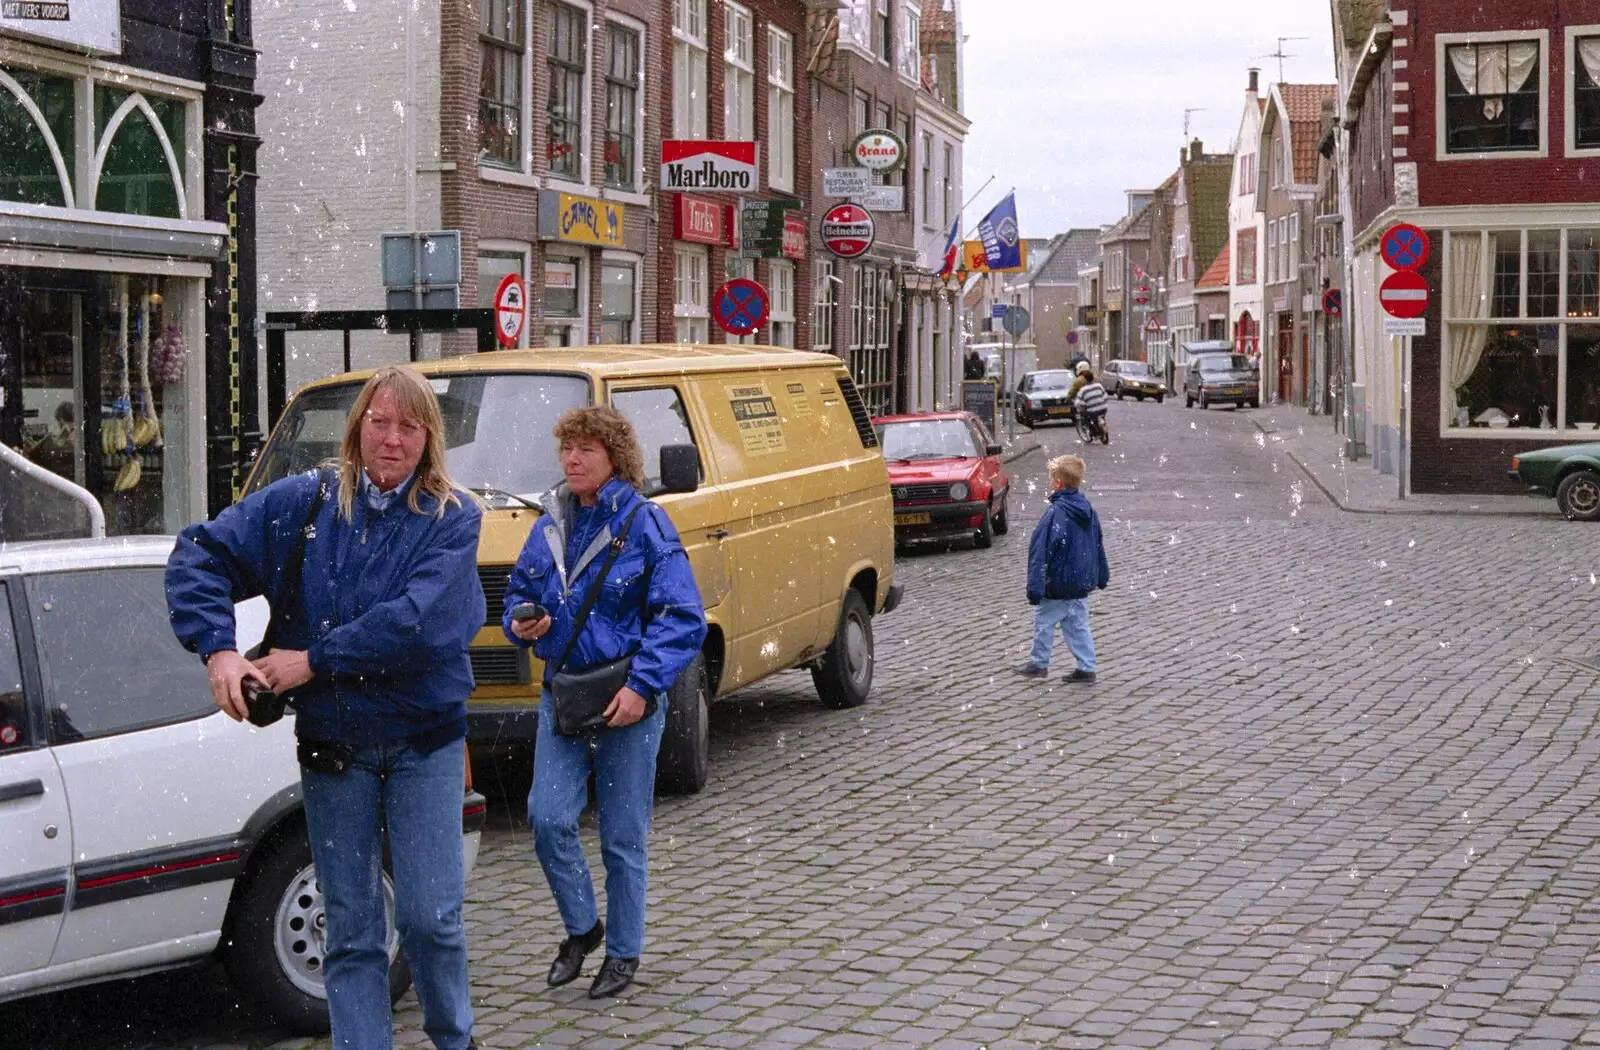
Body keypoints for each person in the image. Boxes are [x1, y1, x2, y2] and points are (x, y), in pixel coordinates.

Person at [166, 365, 485, 1050]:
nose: (391, 439)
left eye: (408, 425)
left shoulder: (453, 519)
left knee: (430, 919)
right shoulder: (306, 504)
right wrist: (219, 650)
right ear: (357, 426)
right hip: (334, 745)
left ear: (429, 437)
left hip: (423, 744)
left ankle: (454, 1038)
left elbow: (415, 622)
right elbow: (199, 551)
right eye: (379, 421)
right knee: (350, 926)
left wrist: (311, 660)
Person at [502, 405, 707, 999]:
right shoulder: (549, 524)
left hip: (626, 702)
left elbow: (680, 616)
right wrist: (525, 621)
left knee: (622, 837)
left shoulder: (646, 524)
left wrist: (642, 688)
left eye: (586, 449)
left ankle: (623, 952)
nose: (573, 459)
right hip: (563, 697)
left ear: (615, 458)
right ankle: (583, 927)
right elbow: (519, 594)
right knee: (547, 818)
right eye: (567, 448)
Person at [1013, 454, 1109, 683]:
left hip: (1058, 583)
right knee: (1078, 626)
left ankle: (1039, 663)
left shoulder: (1055, 513)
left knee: (1044, 622)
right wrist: (1101, 574)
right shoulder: (1087, 509)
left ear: (1057, 482)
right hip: (1079, 583)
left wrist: (1035, 587)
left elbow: (1040, 553)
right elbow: (1097, 544)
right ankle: (1087, 667)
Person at [1074, 369, 1109, 440]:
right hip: (1103, 409)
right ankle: (1102, 426)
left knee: (1086, 417)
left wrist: (1082, 405)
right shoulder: (1099, 386)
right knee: (1101, 417)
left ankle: (1095, 433)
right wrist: (1103, 403)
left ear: (1085, 379)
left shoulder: (1083, 390)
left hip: (1093, 411)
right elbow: (1105, 396)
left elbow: (1078, 403)